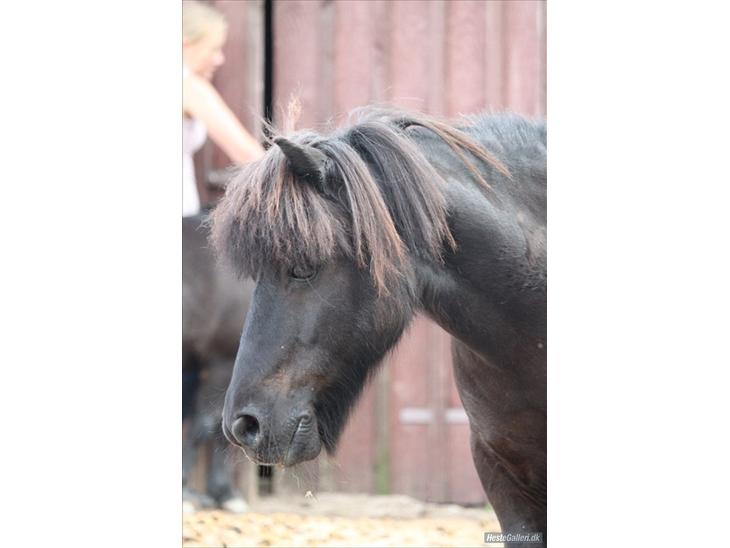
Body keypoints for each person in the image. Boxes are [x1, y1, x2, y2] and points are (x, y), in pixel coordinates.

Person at [182, 0, 264, 216]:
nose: (220, 59)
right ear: (185, 45)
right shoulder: (189, 86)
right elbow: (246, 153)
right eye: (214, 48)